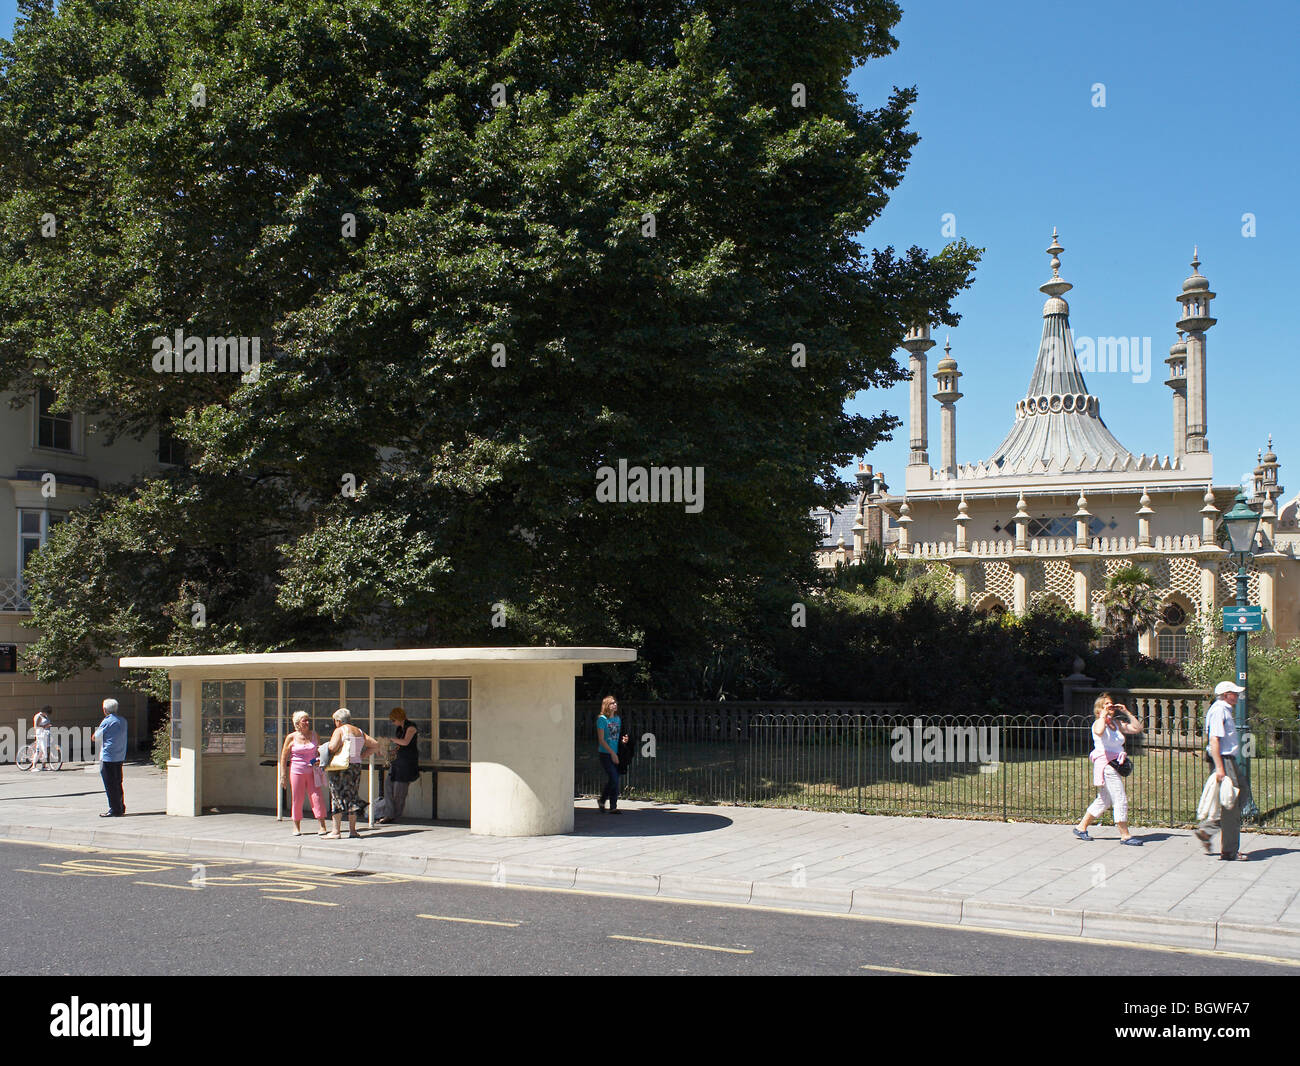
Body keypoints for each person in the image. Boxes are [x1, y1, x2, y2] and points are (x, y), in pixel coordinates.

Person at [1073, 693, 1143, 845]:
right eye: (1107, 705)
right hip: (1106, 765)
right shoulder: (1099, 723)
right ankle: (1125, 835)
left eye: (1111, 705)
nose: (1111, 707)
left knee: (1104, 800)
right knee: (1119, 798)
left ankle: (1081, 827)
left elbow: (1137, 728)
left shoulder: (1116, 724)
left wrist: (1127, 712)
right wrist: (1103, 715)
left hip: (1117, 763)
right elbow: (1098, 731)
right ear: (1099, 708)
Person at [1195, 681, 1248, 861]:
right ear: (1226, 695)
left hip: (1227, 759)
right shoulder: (1219, 710)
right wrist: (1219, 767)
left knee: (1239, 796)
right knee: (1231, 803)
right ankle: (1230, 851)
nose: (1238, 696)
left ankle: (1208, 829)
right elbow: (1214, 739)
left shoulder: (1224, 709)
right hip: (1224, 760)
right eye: (1234, 693)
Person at [323, 708, 378, 839]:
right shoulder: (359, 731)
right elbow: (375, 745)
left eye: (335, 721)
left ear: (338, 721)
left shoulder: (340, 730)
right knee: (352, 796)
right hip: (355, 766)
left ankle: (336, 831)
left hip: (340, 767)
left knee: (337, 796)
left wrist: (323, 749)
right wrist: (362, 755)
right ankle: (353, 830)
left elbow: (332, 747)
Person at [279, 711, 328, 836]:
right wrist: (283, 776)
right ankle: (296, 826)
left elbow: (319, 752)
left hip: (313, 771)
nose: (307, 723)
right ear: (297, 723)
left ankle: (322, 825)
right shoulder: (291, 737)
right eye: (304, 721)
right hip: (297, 771)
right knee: (297, 798)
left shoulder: (314, 734)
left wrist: (317, 761)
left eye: (308, 720)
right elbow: (284, 757)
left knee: (317, 797)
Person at [381, 707, 419, 824]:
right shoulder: (399, 729)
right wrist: (390, 751)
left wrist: (392, 739)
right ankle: (389, 813)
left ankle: (395, 815)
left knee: (399, 791)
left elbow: (406, 742)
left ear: (399, 718)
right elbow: (400, 746)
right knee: (388, 786)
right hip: (398, 761)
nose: (393, 723)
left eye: (394, 720)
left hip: (407, 762)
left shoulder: (411, 727)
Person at [94, 698, 127, 817]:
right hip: (120, 755)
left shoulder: (107, 721)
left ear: (105, 710)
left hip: (108, 757)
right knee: (118, 782)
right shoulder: (123, 720)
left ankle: (114, 809)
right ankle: (120, 806)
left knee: (110, 784)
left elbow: (95, 737)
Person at [595, 696, 628, 814]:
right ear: (606, 706)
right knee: (614, 778)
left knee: (615, 779)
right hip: (605, 753)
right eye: (612, 703)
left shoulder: (617, 719)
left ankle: (612, 806)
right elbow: (601, 740)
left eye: (615, 703)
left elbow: (616, 736)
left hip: (616, 752)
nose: (615, 705)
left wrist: (623, 740)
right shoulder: (602, 719)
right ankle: (603, 800)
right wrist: (612, 753)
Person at [33, 705, 53, 770]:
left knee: (45, 750)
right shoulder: (38, 716)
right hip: (40, 735)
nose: (47, 714)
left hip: (45, 734)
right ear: (44, 711)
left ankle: (43, 766)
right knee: (39, 751)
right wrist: (45, 726)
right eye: (47, 713)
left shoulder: (45, 716)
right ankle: (33, 767)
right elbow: (36, 726)